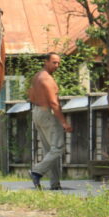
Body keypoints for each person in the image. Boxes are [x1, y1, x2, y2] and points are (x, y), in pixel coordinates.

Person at [27, 53, 71, 191]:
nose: (57, 65)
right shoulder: (47, 79)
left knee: (49, 151)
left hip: (36, 112)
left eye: (58, 63)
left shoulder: (37, 76)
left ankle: (55, 184)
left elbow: (30, 95)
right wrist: (64, 122)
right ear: (46, 62)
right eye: (54, 62)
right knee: (58, 148)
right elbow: (54, 103)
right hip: (47, 114)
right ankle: (36, 171)